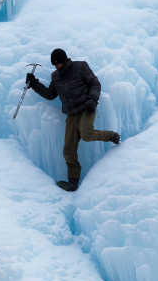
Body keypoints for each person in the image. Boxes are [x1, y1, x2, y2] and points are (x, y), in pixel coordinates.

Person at [26, 48, 120, 192]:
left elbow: (95, 84)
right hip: (72, 114)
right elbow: (50, 94)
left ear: (65, 60)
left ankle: (112, 136)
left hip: (86, 107)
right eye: (54, 64)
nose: (57, 66)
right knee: (68, 150)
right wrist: (34, 84)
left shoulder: (80, 67)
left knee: (86, 133)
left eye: (59, 63)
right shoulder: (56, 76)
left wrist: (92, 100)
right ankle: (73, 182)